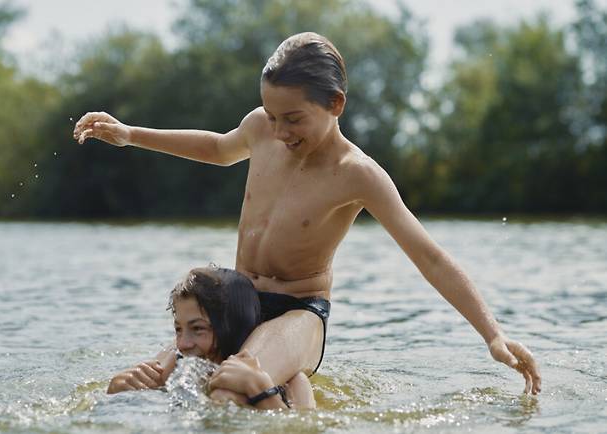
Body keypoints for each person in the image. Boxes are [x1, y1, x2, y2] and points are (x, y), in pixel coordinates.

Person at [74, 32, 542, 396]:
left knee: (233, 385)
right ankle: (287, 390)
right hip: (237, 302)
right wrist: (130, 134)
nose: (278, 131)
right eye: (272, 116)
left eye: (293, 119)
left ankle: (285, 393)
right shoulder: (261, 127)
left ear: (335, 104)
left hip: (299, 314)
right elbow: (218, 148)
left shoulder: (357, 175)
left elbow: (430, 257)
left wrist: (493, 335)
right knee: (134, 388)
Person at [107, 266, 316, 409]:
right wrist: (116, 390)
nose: (182, 344)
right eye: (178, 329)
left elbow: (303, 428)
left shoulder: (291, 383)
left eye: (198, 329)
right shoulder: (175, 368)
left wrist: (262, 392)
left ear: (233, 327)